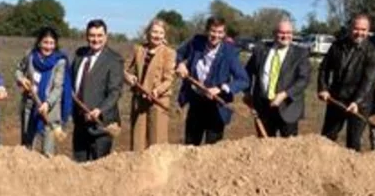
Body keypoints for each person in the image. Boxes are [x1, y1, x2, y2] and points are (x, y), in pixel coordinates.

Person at [176, 16, 249, 145]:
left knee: (212, 149)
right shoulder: (196, 42)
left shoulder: (229, 52)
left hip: (216, 106)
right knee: (190, 146)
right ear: (207, 31)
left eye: (220, 32)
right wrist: (180, 64)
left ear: (224, 34)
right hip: (196, 102)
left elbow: (243, 80)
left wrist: (221, 88)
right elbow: (178, 54)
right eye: (213, 31)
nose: (216, 35)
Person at [318, 13, 375, 151]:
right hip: (336, 101)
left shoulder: (374, 53)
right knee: (327, 138)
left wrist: (356, 102)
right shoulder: (336, 46)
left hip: (360, 105)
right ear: (350, 28)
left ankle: (350, 171)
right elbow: (324, 69)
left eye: (363, 30)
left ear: (368, 30)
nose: (359, 33)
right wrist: (323, 88)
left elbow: (369, 82)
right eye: (356, 28)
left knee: (353, 143)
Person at [244, 17, 311, 137]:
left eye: (289, 33)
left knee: (288, 150)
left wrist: (284, 94)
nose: (285, 36)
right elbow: (247, 72)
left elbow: (303, 79)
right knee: (265, 147)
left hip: (288, 108)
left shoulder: (300, 53)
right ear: (274, 34)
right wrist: (247, 92)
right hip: (263, 108)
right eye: (281, 32)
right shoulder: (260, 50)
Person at [15, 26, 73, 156]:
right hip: (30, 105)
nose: (48, 46)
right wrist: (21, 79)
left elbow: (58, 87)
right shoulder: (30, 55)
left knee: (48, 150)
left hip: (50, 108)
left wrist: (47, 103)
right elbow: (18, 70)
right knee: (27, 145)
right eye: (45, 42)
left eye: (52, 43)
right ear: (39, 42)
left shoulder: (60, 61)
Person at [71, 19, 124, 162]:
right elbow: (72, 80)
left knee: (99, 168)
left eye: (100, 35)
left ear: (106, 36)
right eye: (92, 35)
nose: (96, 39)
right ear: (86, 36)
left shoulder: (114, 59)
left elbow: (115, 92)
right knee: (79, 165)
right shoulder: (80, 54)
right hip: (80, 121)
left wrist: (99, 110)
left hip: (101, 124)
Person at [123, 18, 176, 150]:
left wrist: (156, 91)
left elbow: (169, 79)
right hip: (139, 100)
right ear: (148, 32)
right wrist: (128, 77)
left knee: (157, 143)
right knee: (137, 142)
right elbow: (123, 69)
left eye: (160, 33)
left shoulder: (169, 53)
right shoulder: (138, 49)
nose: (157, 35)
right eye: (154, 32)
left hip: (158, 100)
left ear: (164, 35)